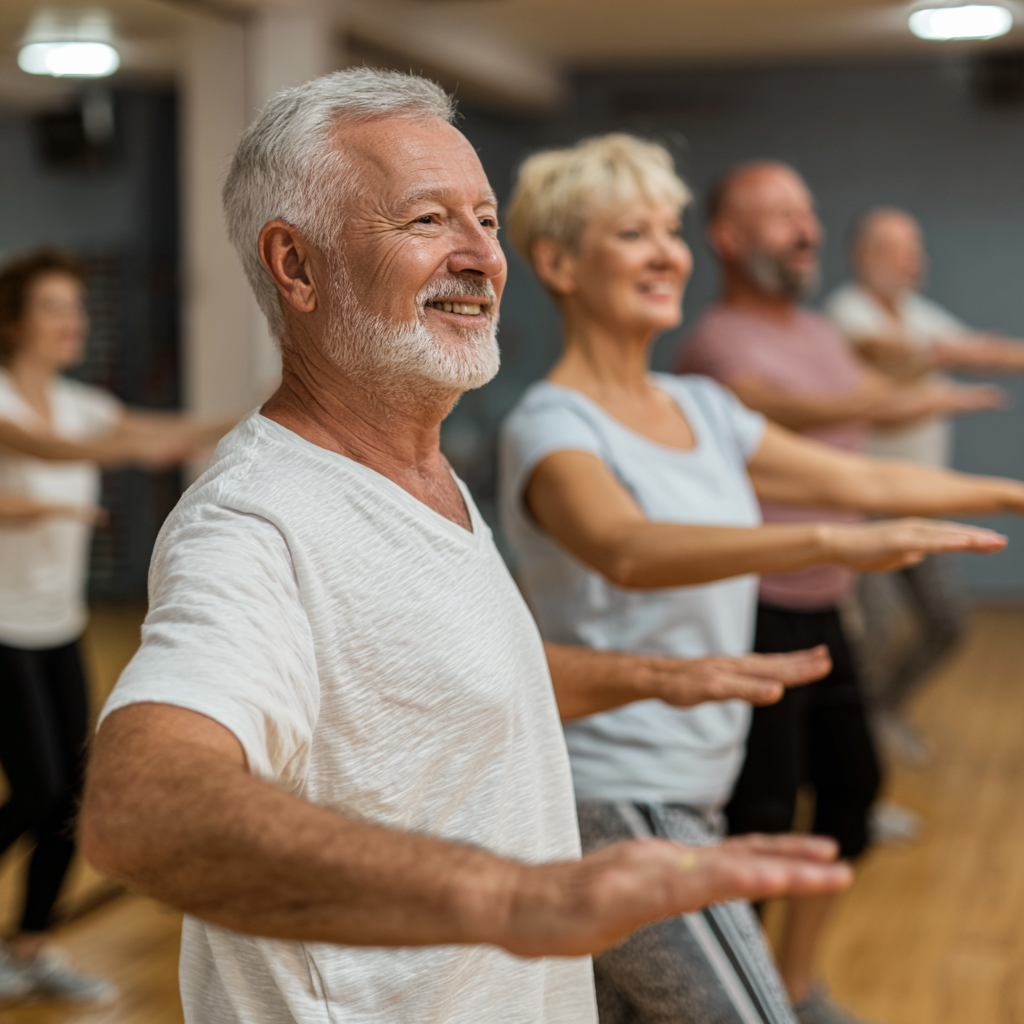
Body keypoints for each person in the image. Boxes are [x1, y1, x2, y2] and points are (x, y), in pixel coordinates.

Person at [76, 70, 860, 1024]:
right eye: (427, 221)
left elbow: (413, 685)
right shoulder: (254, 525)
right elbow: (142, 807)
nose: (481, 255)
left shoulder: (420, 473)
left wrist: (652, 673)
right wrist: (517, 899)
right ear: (296, 264)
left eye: (485, 219)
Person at [499, 135, 1024, 1024]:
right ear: (556, 261)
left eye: (670, 230)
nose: (668, 252)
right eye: (633, 233)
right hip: (615, 795)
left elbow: (861, 480)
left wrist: (1009, 492)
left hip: (700, 788)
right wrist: (826, 542)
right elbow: (626, 546)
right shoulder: (551, 424)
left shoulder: (702, 408)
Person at [673, 162, 1010, 1022]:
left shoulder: (820, 332)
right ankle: (726, 997)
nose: (805, 228)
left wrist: (934, 387)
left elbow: (866, 400)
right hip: (753, 606)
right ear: (727, 237)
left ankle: (791, 987)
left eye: (807, 211)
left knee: (852, 794)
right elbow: (782, 412)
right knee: (762, 814)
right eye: (779, 214)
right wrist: (901, 393)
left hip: (827, 599)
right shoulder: (718, 340)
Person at [0, 248, 232, 1004]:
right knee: (36, 793)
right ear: (13, 322)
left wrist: (270, 407)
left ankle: (28, 951)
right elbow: (52, 451)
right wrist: (50, 501)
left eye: (77, 307)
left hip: (57, 626)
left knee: (71, 801)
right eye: (54, 308)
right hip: (1, 629)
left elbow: (170, 431)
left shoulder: (82, 405)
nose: (73, 322)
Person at [825, 207, 1024, 762]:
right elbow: (880, 354)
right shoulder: (845, 313)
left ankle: (882, 711)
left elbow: (978, 349)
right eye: (900, 249)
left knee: (946, 621)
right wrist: (943, 354)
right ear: (865, 257)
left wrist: (986, 352)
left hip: (918, 502)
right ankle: (851, 746)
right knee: (875, 629)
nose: (916, 261)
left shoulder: (919, 314)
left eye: (916, 247)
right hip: (861, 506)